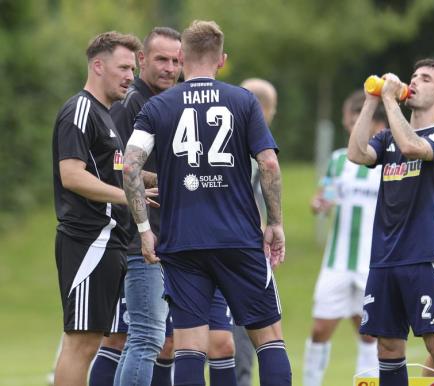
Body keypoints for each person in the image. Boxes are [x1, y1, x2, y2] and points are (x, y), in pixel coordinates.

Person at [122, 20, 291, 386]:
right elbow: (269, 163)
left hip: (182, 241)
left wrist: (144, 229)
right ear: (222, 60)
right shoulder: (243, 101)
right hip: (238, 239)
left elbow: (130, 165)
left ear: (181, 57)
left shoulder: (158, 106)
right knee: (268, 337)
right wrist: (275, 223)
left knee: (189, 346)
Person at [347, 59, 434, 386]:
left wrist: (389, 100)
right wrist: (372, 100)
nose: (415, 81)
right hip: (384, 258)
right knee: (388, 346)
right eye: (414, 76)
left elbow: (412, 146)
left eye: (425, 78)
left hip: (424, 255)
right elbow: (357, 153)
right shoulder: (385, 138)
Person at [51, 31, 144, 386]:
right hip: (89, 239)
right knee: (81, 343)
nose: (130, 76)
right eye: (123, 67)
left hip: (109, 243)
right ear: (98, 65)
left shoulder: (107, 115)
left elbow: (116, 174)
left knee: (92, 342)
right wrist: (129, 198)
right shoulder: (81, 110)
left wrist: (154, 182)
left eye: (133, 69)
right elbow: (72, 175)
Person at [303, 90, 386, 386]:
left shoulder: (388, 161)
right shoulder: (339, 160)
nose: (346, 125)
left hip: (371, 262)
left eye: (349, 119)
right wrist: (318, 204)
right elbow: (322, 197)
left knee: (368, 333)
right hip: (337, 261)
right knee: (319, 330)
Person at [232, 77, 279, 386]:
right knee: (262, 331)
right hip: (243, 247)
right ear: (263, 108)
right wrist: (269, 227)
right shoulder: (249, 141)